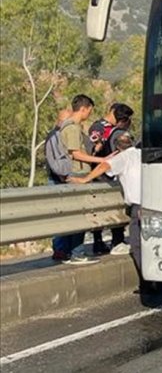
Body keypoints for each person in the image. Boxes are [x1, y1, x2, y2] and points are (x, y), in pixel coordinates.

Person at [68, 133, 145, 286]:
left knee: (137, 245)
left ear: (117, 147)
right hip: (154, 204)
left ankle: (147, 282)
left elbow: (105, 166)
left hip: (139, 207)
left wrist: (84, 179)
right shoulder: (142, 154)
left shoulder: (122, 158)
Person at [49, 94, 107, 261]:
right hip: (77, 174)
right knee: (80, 217)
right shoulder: (73, 128)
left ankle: (70, 252)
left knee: (75, 216)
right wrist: (101, 160)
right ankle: (77, 253)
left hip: (74, 174)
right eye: (89, 110)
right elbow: (76, 154)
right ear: (84, 108)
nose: (89, 114)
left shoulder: (69, 127)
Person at [87, 103, 134, 255]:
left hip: (96, 174)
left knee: (98, 211)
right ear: (124, 120)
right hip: (111, 175)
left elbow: (91, 149)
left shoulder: (96, 127)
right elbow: (124, 152)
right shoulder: (118, 132)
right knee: (117, 208)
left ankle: (98, 242)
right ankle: (117, 240)